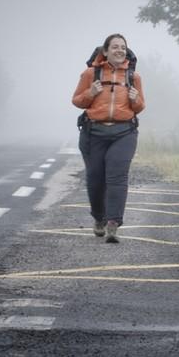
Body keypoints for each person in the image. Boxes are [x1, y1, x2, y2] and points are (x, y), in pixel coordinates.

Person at [71, 33, 145, 243]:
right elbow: (77, 101)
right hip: (94, 133)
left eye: (123, 47)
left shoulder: (133, 77)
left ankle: (113, 222)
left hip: (124, 133)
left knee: (117, 176)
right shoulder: (90, 74)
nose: (119, 50)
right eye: (115, 47)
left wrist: (135, 99)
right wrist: (91, 94)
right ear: (105, 51)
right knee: (95, 179)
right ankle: (99, 217)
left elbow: (140, 107)